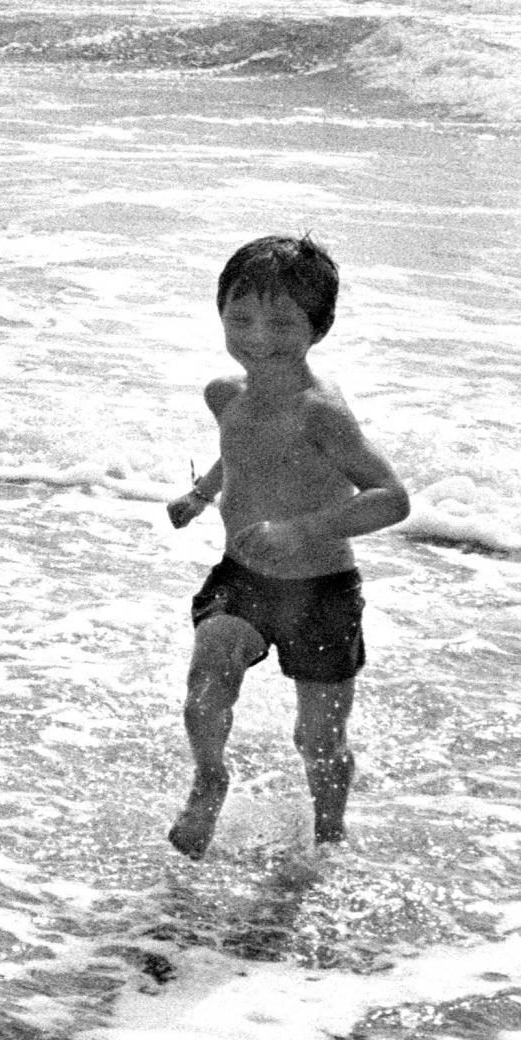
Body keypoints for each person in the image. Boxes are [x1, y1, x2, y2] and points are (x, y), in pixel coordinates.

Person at [164, 232, 408, 858]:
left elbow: (390, 497)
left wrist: (301, 530)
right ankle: (210, 776)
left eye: (281, 321)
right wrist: (200, 495)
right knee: (207, 673)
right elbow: (239, 453)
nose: (257, 335)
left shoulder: (320, 412)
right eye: (239, 318)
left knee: (319, 740)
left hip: (322, 590)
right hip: (243, 576)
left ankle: (329, 833)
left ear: (318, 328)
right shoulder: (226, 395)